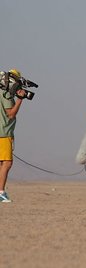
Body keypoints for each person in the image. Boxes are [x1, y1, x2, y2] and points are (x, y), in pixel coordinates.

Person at [0, 69, 27, 203]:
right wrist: (20, 100)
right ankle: (1, 192)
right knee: (7, 163)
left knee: (2, 163)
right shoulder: (5, 95)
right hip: (4, 134)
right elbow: (10, 114)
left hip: (4, 134)